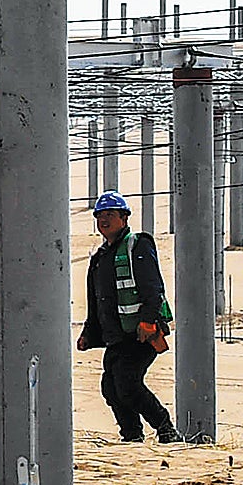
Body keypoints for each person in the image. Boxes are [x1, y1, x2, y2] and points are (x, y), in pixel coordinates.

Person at [78, 188, 177, 443]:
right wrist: (89, 333)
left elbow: (152, 286)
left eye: (110, 214)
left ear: (124, 218)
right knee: (111, 387)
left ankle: (166, 429)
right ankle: (131, 436)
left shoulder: (137, 244)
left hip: (141, 332)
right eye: (100, 215)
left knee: (127, 383)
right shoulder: (99, 258)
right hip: (116, 335)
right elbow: (96, 301)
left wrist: (148, 319)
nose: (104, 220)